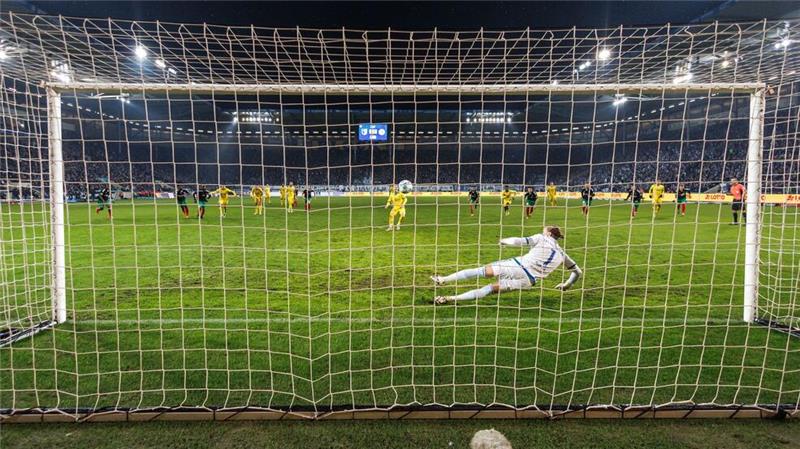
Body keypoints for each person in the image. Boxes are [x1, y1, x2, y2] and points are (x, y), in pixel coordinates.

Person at [431, 226, 582, 304]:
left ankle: (443, 279)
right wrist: (566, 285)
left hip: (517, 266)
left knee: (481, 271)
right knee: (489, 289)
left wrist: (505, 241)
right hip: (528, 281)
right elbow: (578, 272)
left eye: (545, 229)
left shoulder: (541, 237)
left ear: (549, 233)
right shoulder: (562, 254)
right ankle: (450, 299)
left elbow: (520, 241)